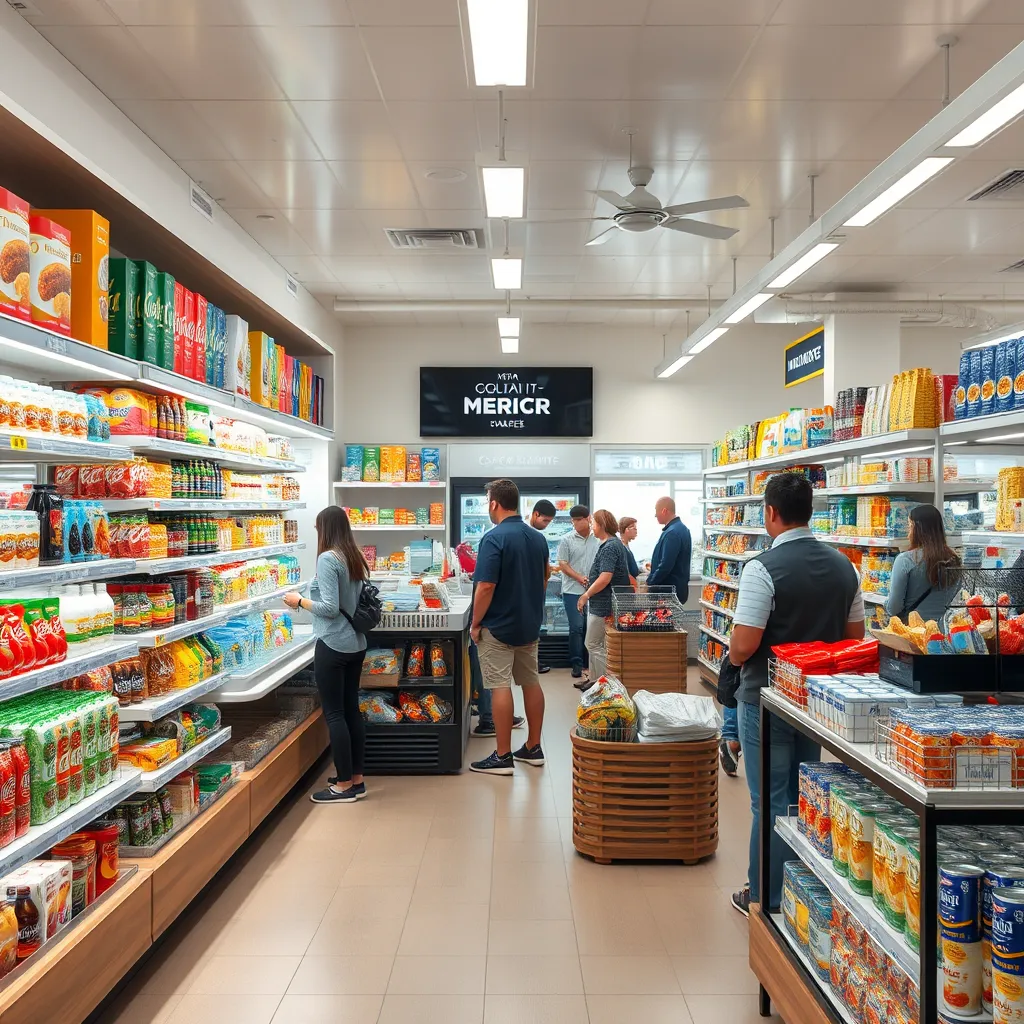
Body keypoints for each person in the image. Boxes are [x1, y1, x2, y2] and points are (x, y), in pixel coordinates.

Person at [727, 473, 864, 916]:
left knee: (767, 798)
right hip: (818, 706)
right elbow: (854, 641)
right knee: (804, 797)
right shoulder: (847, 568)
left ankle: (762, 894)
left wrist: (732, 654)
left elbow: (743, 645)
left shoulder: (762, 568)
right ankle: (799, 888)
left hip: (766, 700)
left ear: (770, 513)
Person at [283, 506, 370, 804]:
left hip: (333, 643)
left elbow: (330, 608)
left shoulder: (328, 558)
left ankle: (343, 785)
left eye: (319, 528)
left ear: (326, 529)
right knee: (351, 711)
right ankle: (356, 778)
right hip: (356, 644)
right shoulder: (353, 555)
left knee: (335, 714)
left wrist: (299, 601)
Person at [470, 478, 550, 775]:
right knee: (531, 682)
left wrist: (476, 623)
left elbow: (486, 585)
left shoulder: (494, 538)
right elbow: (544, 578)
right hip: (529, 625)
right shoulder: (538, 538)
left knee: (499, 684)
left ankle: (503, 755)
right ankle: (533, 746)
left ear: (494, 503)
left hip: (498, 626)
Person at [578, 510, 632, 682]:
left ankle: (602, 683)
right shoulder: (612, 544)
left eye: (593, 524)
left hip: (603, 605)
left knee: (592, 644)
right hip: (602, 603)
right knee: (596, 644)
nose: (592, 527)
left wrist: (586, 594)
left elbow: (605, 577)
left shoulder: (609, 546)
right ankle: (594, 680)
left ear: (601, 525)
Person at [885, 504, 961, 622]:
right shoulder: (954, 559)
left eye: (910, 527)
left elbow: (894, 608)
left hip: (913, 632)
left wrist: (886, 603)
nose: (908, 534)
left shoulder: (905, 560)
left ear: (917, 529)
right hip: (944, 630)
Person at [557, 505, 600, 680]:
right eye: (573, 520)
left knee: (592, 626)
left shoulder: (597, 539)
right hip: (572, 590)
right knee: (576, 627)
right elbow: (562, 564)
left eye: (578, 520)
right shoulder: (566, 539)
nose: (574, 523)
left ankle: (590, 663)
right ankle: (576, 663)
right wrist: (579, 577)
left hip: (594, 590)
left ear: (588, 519)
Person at [647, 497, 692, 603]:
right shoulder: (682, 529)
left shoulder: (672, 533)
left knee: (663, 619)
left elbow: (666, 565)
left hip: (667, 592)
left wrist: (650, 582)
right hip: (677, 589)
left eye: (656, 511)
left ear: (664, 511)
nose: (655, 515)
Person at [530, 499, 556, 675]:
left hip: (534, 591)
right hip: (533, 591)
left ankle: (533, 662)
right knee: (532, 629)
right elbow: (545, 571)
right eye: (545, 521)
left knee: (534, 628)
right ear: (535, 514)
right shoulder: (533, 536)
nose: (546, 525)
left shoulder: (537, 536)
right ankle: (532, 663)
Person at [618, 515, 640, 585]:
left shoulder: (626, 547)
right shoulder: (621, 548)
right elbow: (625, 572)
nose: (636, 531)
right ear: (626, 529)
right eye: (634, 528)